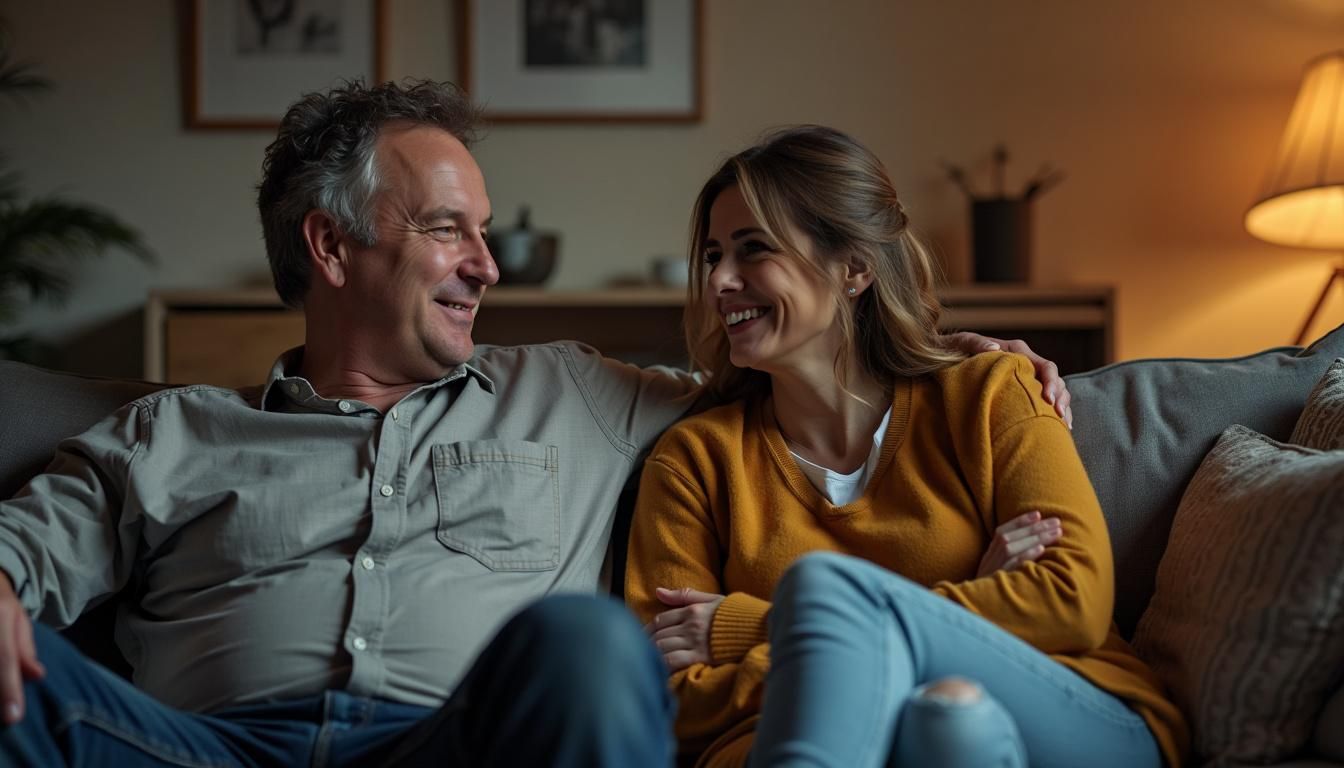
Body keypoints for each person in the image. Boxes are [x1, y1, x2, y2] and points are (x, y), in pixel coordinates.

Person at [0, 81, 1069, 767]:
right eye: (447, 230)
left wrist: (939, 362)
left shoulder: (580, 393)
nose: (487, 264)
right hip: (197, 754)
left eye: (487, 233)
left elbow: (789, 359)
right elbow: (24, 551)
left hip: (458, 749)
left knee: (588, 642)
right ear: (331, 250)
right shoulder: (168, 434)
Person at [625, 125, 1187, 768]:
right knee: (946, 718)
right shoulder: (694, 462)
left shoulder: (987, 395)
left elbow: (1072, 600)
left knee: (934, 699)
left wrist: (767, 627)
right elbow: (665, 700)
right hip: (881, 736)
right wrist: (961, 609)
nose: (720, 279)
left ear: (855, 269)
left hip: (1067, 712)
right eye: (712, 256)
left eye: (753, 250)